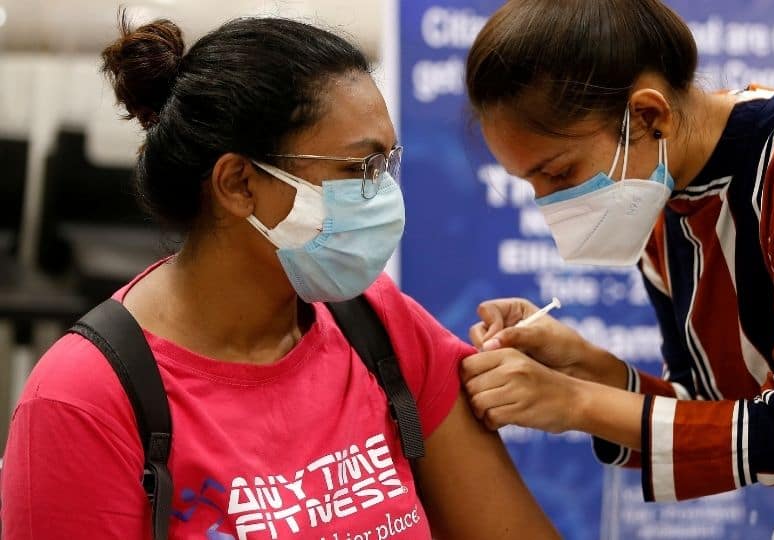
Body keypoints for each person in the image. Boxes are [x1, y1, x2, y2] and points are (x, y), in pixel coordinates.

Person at [0, 15, 559, 540]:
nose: (384, 195)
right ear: (240, 184)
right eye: (359, 168)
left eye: (386, 165)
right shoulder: (84, 400)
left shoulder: (378, 326)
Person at [458, 1, 774, 538]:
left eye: (559, 173)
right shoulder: (660, 205)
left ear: (648, 116)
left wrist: (575, 403)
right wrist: (583, 366)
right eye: (530, 184)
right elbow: (715, 410)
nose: (549, 206)